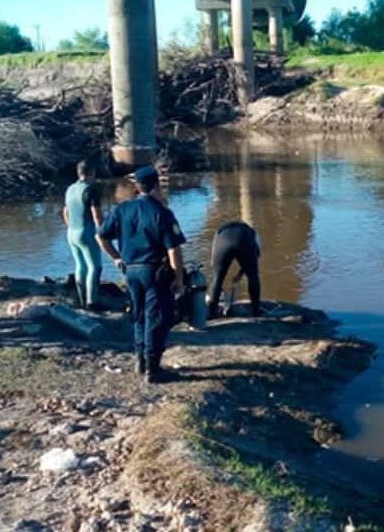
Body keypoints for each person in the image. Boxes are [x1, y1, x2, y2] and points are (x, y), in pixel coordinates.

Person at [96, 166, 186, 383]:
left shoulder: (122, 209)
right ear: (156, 185)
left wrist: (116, 258)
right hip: (154, 271)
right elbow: (173, 249)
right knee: (155, 318)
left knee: (138, 315)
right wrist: (179, 278)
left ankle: (140, 361)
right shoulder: (162, 213)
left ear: (137, 186)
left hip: (130, 270)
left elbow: (101, 236)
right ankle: (153, 369)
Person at [62, 160, 104, 309]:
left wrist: (70, 226)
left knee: (80, 265)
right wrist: (103, 233)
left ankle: (81, 299)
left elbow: (65, 212)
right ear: (91, 173)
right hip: (87, 232)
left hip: (71, 232)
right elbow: (96, 216)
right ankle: (92, 301)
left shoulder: (70, 189)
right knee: (95, 266)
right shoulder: (91, 190)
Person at [207, 221, 262, 319]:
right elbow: (255, 257)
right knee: (253, 276)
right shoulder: (251, 232)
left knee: (217, 279)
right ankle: (255, 311)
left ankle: (212, 314)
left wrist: (238, 274)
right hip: (244, 240)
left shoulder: (219, 231)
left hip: (223, 241)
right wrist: (241, 273)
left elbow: (213, 260)